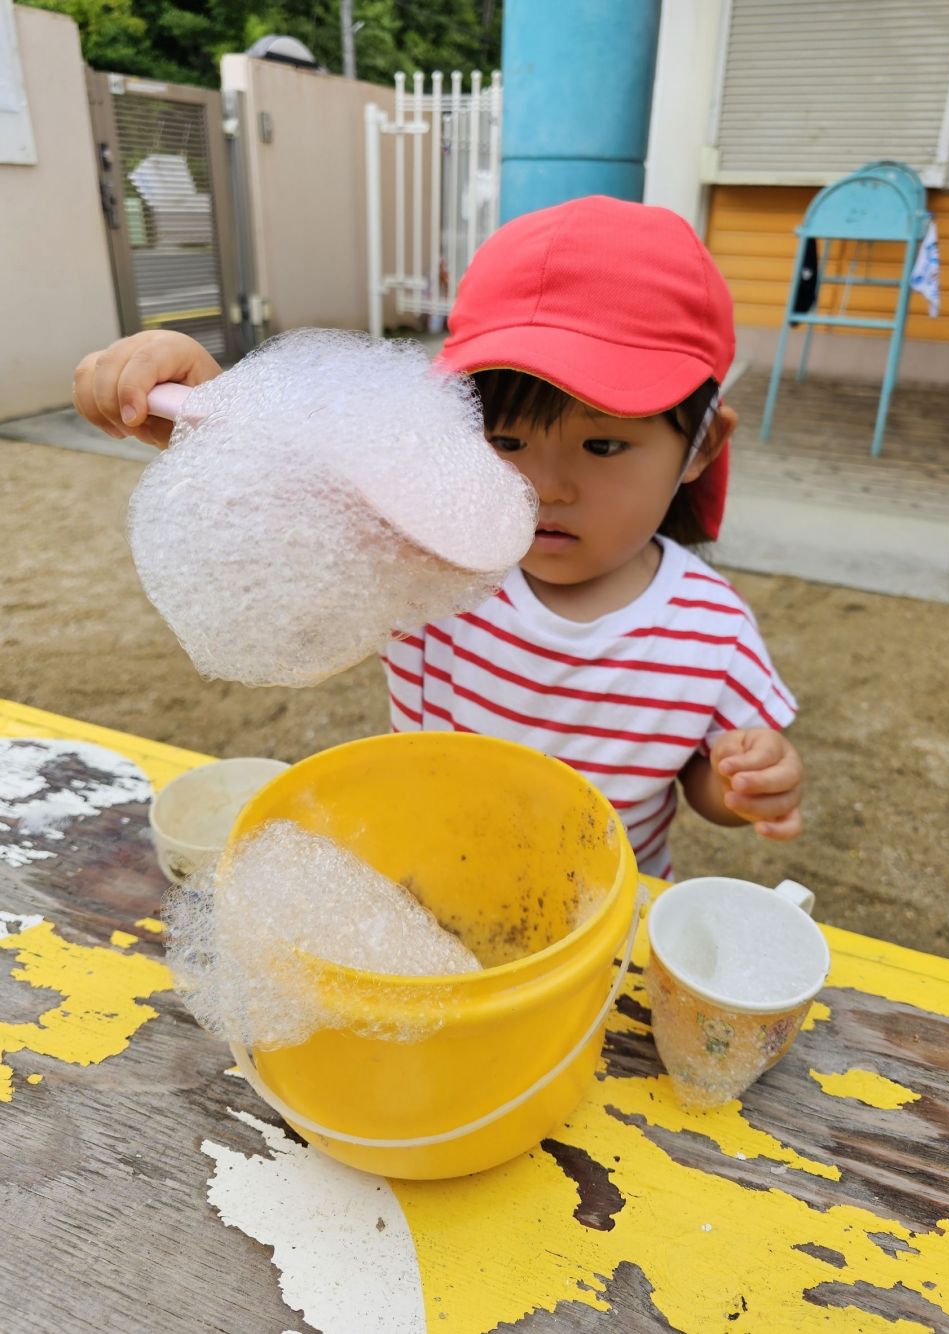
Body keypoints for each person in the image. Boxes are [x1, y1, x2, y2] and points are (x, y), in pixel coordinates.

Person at [73, 195, 803, 879]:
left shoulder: (710, 629)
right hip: (423, 880)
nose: (543, 487)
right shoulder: (427, 554)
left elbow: (701, 782)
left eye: (602, 448)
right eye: (505, 439)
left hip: (595, 918)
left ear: (702, 447)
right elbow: (285, 507)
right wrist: (209, 408)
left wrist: (744, 782)